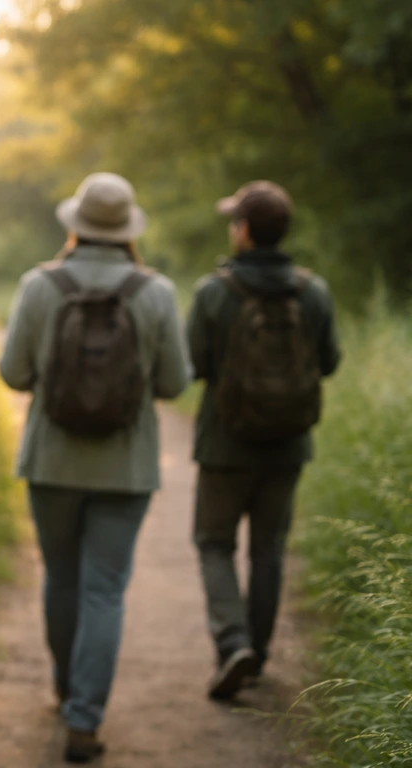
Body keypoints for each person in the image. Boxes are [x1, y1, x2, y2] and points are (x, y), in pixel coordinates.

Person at [0, 172, 190, 763]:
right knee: (104, 591)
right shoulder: (155, 292)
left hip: (52, 463)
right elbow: (175, 383)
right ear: (128, 228)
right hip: (126, 468)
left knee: (62, 578)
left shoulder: (40, 285)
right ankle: (85, 717)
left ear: (76, 224)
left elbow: (13, 374)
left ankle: (63, 688)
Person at [187, 181, 341, 700]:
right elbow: (331, 362)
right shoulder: (312, 290)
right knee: (269, 550)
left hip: (224, 445)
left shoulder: (215, 291)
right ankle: (257, 656)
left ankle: (233, 643)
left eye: (235, 221)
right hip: (288, 447)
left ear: (246, 231)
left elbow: (198, 365)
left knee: (214, 544)